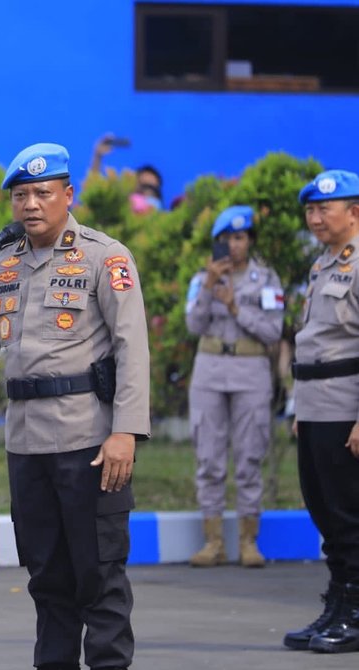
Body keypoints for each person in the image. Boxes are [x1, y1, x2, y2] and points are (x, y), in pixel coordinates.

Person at [0, 142, 150, 670]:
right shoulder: (3, 265)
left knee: (99, 576)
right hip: (27, 443)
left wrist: (125, 432)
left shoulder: (104, 257)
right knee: (47, 579)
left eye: (42, 192)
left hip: (89, 440)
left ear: (68, 194)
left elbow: (132, 348)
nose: (31, 204)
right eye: (21, 195)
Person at [283, 169, 359, 654]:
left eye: (324, 209)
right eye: (310, 210)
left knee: (348, 515)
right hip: (315, 406)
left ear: (354, 212)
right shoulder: (323, 264)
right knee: (326, 514)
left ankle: (353, 613)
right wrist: (299, 408)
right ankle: (336, 605)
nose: (314, 218)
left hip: (345, 405)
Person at [185, 205, 284, 568]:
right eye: (226, 239)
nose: (233, 245)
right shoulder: (202, 279)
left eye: (239, 237)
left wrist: (237, 308)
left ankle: (248, 541)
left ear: (250, 240)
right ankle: (213, 542)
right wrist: (211, 288)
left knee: (249, 456)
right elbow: (194, 326)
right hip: (210, 370)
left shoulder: (267, 280)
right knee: (209, 458)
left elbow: (274, 331)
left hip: (250, 370)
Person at [89, 133, 164, 213]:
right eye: (143, 186)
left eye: (152, 188)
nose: (147, 194)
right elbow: (94, 189)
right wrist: (98, 156)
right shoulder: (119, 210)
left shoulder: (164, 219)